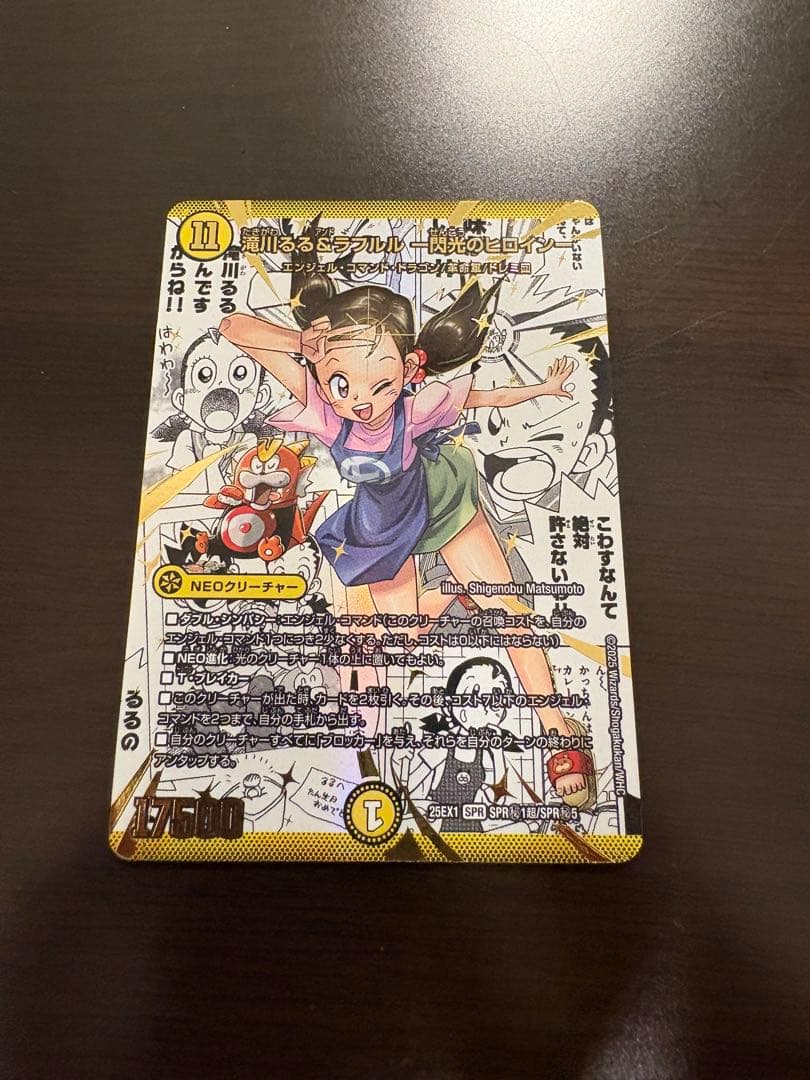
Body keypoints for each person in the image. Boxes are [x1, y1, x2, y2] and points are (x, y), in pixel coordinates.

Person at [217, 234, 592, 806]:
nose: (360, 401)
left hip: (441, 502)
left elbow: (483, 399)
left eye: (380, 383)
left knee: (505, 609)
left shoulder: (417, 408)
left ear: (409, 368)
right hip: (381, 528)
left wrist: (544, 388)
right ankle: (454, 595)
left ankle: (557, 731)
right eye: (342, 383)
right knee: (400, 637)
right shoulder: (320, 404)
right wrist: (302, 344)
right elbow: (231, 328)